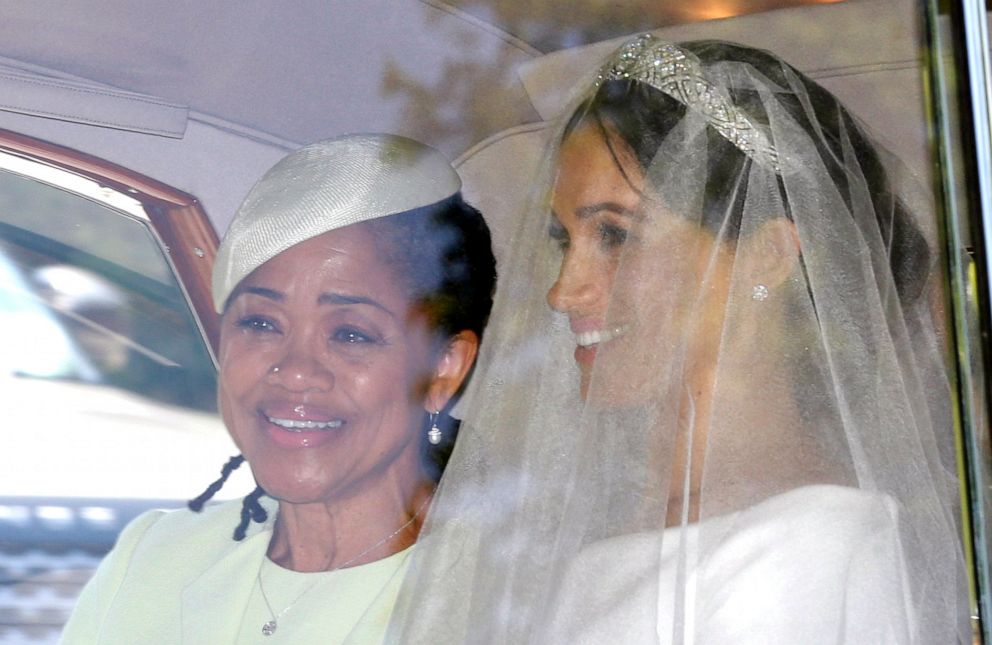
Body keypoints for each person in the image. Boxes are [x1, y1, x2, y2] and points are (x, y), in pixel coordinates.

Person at [387, 36, 969, 643]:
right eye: (565, 241)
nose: (563, 292)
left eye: (614, 236)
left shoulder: (811, 544)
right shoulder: (594, 517)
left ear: (768, 256)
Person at [59, 133, 496, 644]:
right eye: (262, 324)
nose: (294, 372)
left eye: (350, 334)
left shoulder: (499, 593)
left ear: (444, 368)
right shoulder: (154, 555)